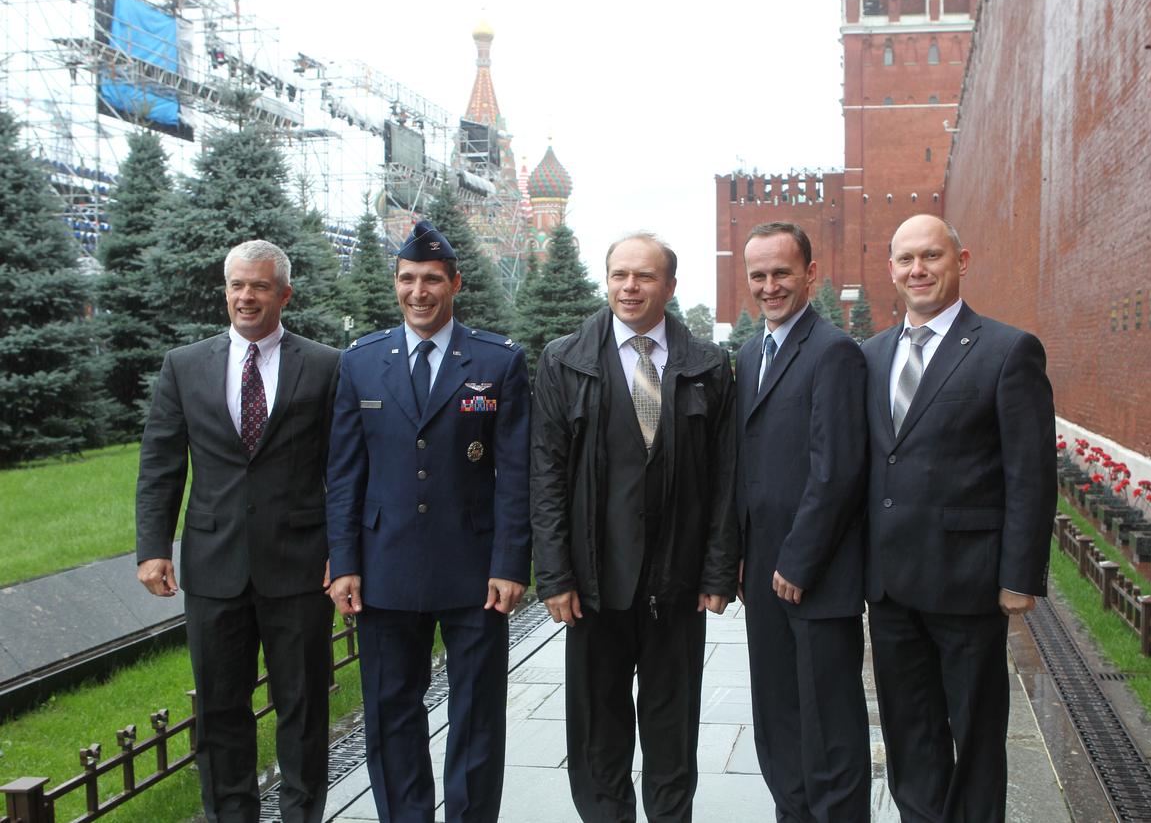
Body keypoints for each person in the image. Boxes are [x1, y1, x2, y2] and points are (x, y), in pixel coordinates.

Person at [325, 219, 530, 823]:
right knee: (390, 712)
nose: (420, 291)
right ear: (396, 284)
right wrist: (344, 562)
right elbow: (343, 473)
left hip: (474, 570)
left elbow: (515, 473)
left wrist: (511, 562)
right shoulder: (361, 362)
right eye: (409, 279)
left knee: (477, 714)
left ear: (455, 284)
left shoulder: (498, 361)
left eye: (432, 279)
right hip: (383, 566)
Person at [530, 232, 737, 823]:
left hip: (676, 582)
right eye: (620, 274)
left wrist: (718, 570)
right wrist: (555, 575)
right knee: (598, 729)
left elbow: (727, 478)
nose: (629, 287)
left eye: (644, 277)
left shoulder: (707, 367)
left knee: (673, 728)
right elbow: (544, 475)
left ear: (670, 287)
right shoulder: (564, 360)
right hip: (594, 585)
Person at [135, 240, 339, 823]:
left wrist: (343, 552)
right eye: (236, 286)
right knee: (221, 709)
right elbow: (160, 463)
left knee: (303, 708)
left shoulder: (325, 365)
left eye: (259, 287)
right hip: (214, 566)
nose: (246, 297)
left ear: (284, 294)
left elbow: (345, 469)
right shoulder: (185, 365)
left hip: (299, 567)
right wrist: (153, 548)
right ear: (225, 291)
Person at [863, 214, 1056, 822]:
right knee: (908, 732)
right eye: (905, 260)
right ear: (891, 269)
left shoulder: (1006, 349)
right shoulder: (868, 356)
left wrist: (1020, 577)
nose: (917, 270)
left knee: (974, 735)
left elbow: (1031, 473)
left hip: (966, 583)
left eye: (931, 257)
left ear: (961, 260)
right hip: (890, 587)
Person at [735, 221, 872, 822]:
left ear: (810, 275)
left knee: (829, 731)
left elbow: (837, 470)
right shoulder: (747, 355)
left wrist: (799, 560)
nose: (770, 286)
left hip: (814, 577)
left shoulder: (833, 352)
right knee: (777, 719)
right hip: (762, 575)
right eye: (758, 276)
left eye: (781, 273)